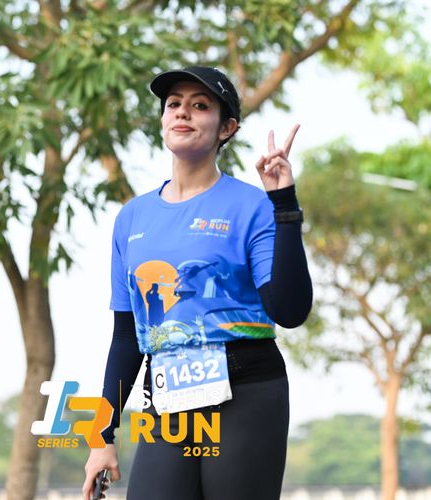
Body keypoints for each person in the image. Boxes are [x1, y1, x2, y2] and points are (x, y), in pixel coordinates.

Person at [82, 66, 313, 500]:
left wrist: (284, 203)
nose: (183, 112)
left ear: (227, 128)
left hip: (246, 392)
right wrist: (102, 435)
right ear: (163, 120)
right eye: (174, 104)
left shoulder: (252, 205)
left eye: (200, 105)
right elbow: (126, 337)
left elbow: (289, 310)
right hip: (167, 398)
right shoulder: (132, 218)